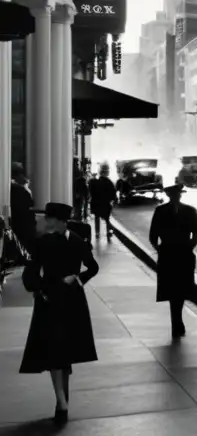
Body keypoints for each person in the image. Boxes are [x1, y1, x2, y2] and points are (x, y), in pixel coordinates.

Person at [19, 202, 99, 424]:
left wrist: (77, 278)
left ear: (60, 220)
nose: (45, 221)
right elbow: (31, 273)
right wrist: (40, 290)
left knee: (63, 349)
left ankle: (62, 399)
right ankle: (61, 401)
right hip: (53, 298)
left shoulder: (74, 241)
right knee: (56, 349)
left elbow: (93, 267)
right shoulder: (47, 242)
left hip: (67, 299)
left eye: (50, 218)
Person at [148, 179, 197, 338]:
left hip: (183, 253)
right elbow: (153, 235)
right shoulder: (160, 211)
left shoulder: (190, 211)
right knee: (172, 290)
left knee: (182, 289)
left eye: (177, 194)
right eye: (174, 194)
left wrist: (190, 246)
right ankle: (177, 320)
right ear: (169, 195)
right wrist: (160, 249)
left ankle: (177, 320)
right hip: (169, 253)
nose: (176, 196)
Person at [88, 163, 117, 240]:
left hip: (96, 203)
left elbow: (90, 191)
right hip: (105, 204)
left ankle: (97, 233)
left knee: (97, 218)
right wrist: (112, 200)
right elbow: (113, 194)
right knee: (107, 219)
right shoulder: (109, 182)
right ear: (106, 172)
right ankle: (108, 232)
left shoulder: (94, 181)